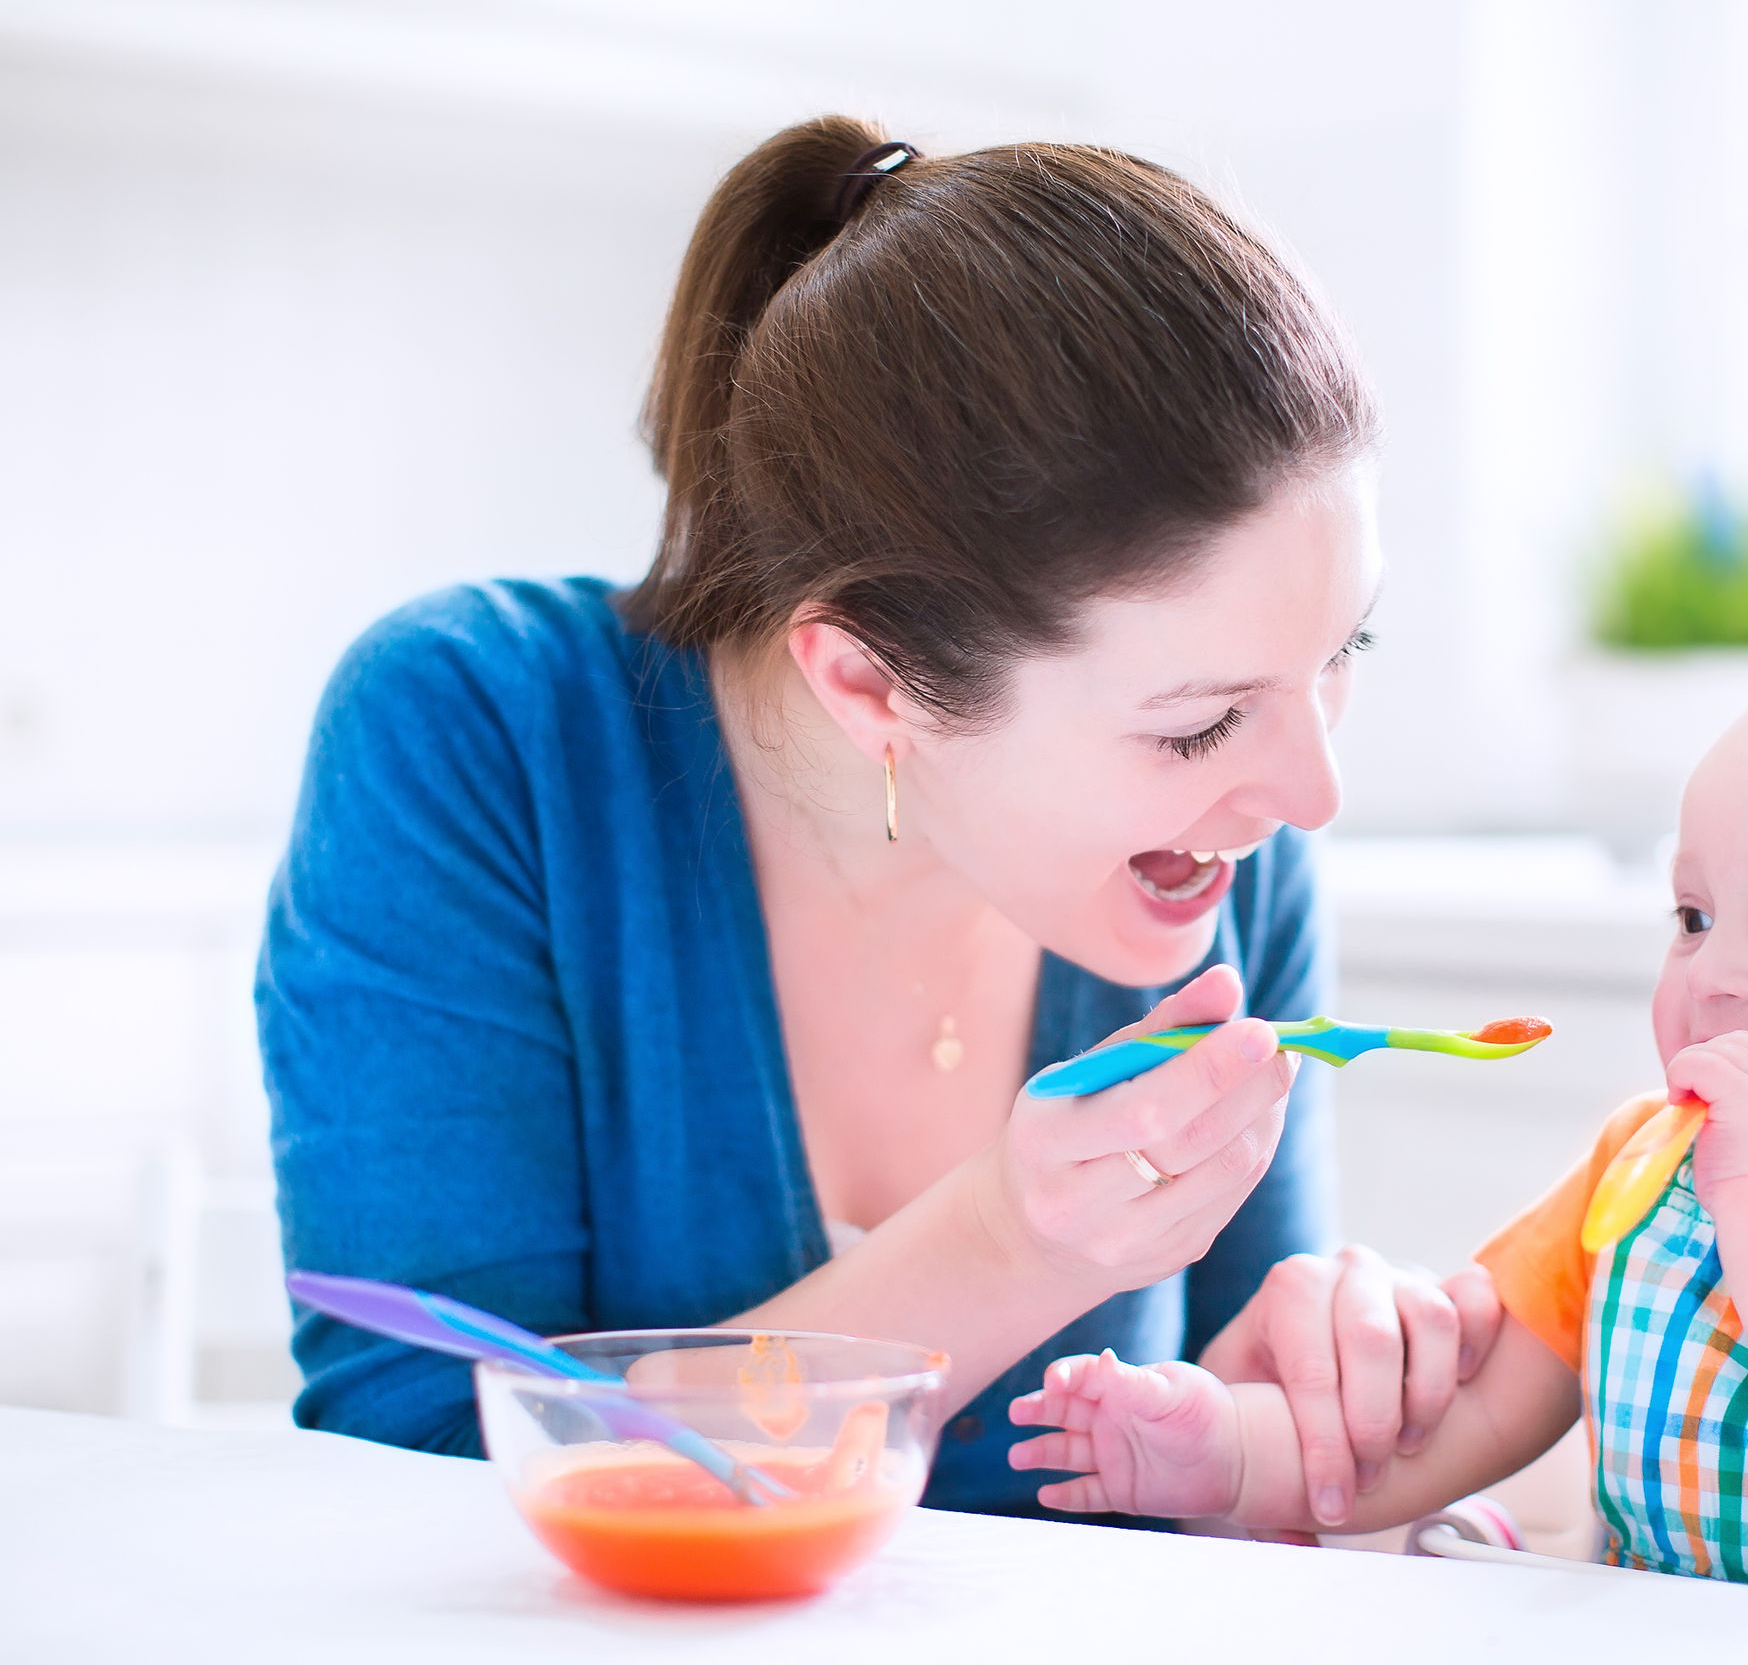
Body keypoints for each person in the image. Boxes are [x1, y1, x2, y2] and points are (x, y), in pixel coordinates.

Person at [259, 116, 1499, 1528]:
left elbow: (1214, 1499)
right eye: (1199, 723)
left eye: (1346, 655)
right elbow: (414, 1480)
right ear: (866, 681)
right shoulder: (480, 737)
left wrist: (1303, 1427)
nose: (1309, 793)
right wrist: (1001, 1244)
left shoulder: (1215, 855)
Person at [1009, 654, 1748, 1606]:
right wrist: (1225, 1451)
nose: (1715, 974)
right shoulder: (1643, 1174)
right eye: (1692, 914)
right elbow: (1462, 1416)